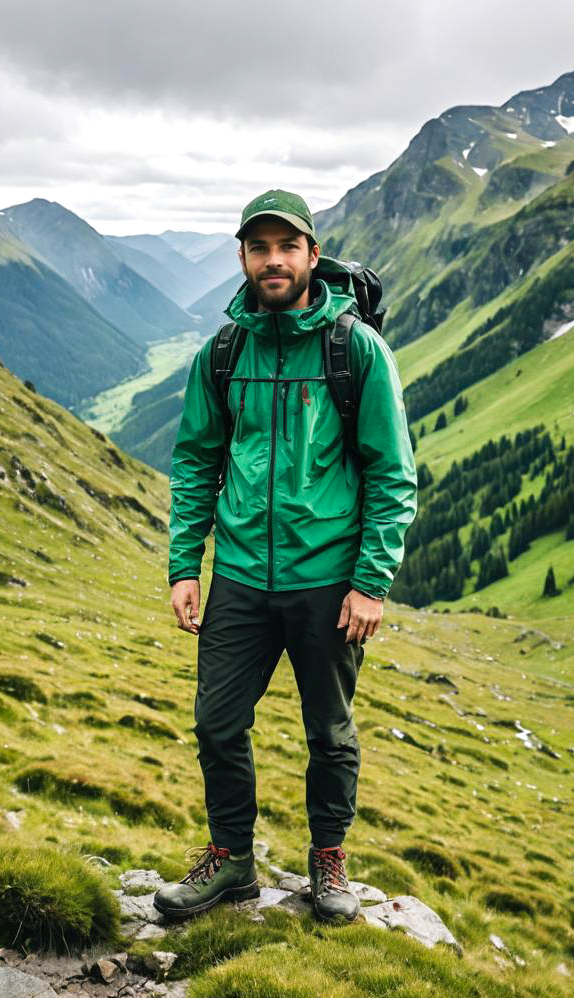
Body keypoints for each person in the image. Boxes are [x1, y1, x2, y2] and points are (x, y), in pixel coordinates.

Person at [154, 189, 417, 924]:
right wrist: (185, 565)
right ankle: (231, 860)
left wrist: (370, 582)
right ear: (242, 257)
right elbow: (196, 461)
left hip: (327, 580)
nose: (273, 260)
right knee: (216, 723)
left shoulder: (353, 349)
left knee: (328, 732)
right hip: (238, 574)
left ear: (311, 254)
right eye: (259, 247)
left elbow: (392, 471)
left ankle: (328, 861)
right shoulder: (224, 352)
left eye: (287, 247)